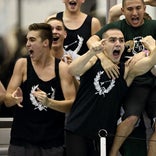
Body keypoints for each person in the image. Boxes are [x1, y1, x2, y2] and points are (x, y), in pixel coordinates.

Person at [65, 28, 156, 156]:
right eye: (112, 40)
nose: (118, 43)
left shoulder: (127, 70)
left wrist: (151, 47)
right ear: (103, 44)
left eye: (121, 40)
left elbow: (152, 61)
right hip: (78, 129)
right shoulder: (93, 61)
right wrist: (91, 52)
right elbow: (72, 71)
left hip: (104, 133)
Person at [87, 0, 156, 156]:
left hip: (154, 80)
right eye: (130, 9)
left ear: (144, 9)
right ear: (123, 11)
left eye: (138, 8)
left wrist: (145, 53)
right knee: (131, 118)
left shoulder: (153, 26)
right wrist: (103, 59)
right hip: (134, 82)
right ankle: (112, 152)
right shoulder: (118, 28)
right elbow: (91, 41)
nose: (134, 13)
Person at [4, 23, 76, 156]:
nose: (27, 44)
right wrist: (14, 98)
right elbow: (7, 101)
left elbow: (71, 104)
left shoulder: (62, 68)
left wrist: (49, 102)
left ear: (45, 43)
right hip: (22, 141)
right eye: (27, 40)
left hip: (52, 143)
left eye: (32, 40)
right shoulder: (22, 65)